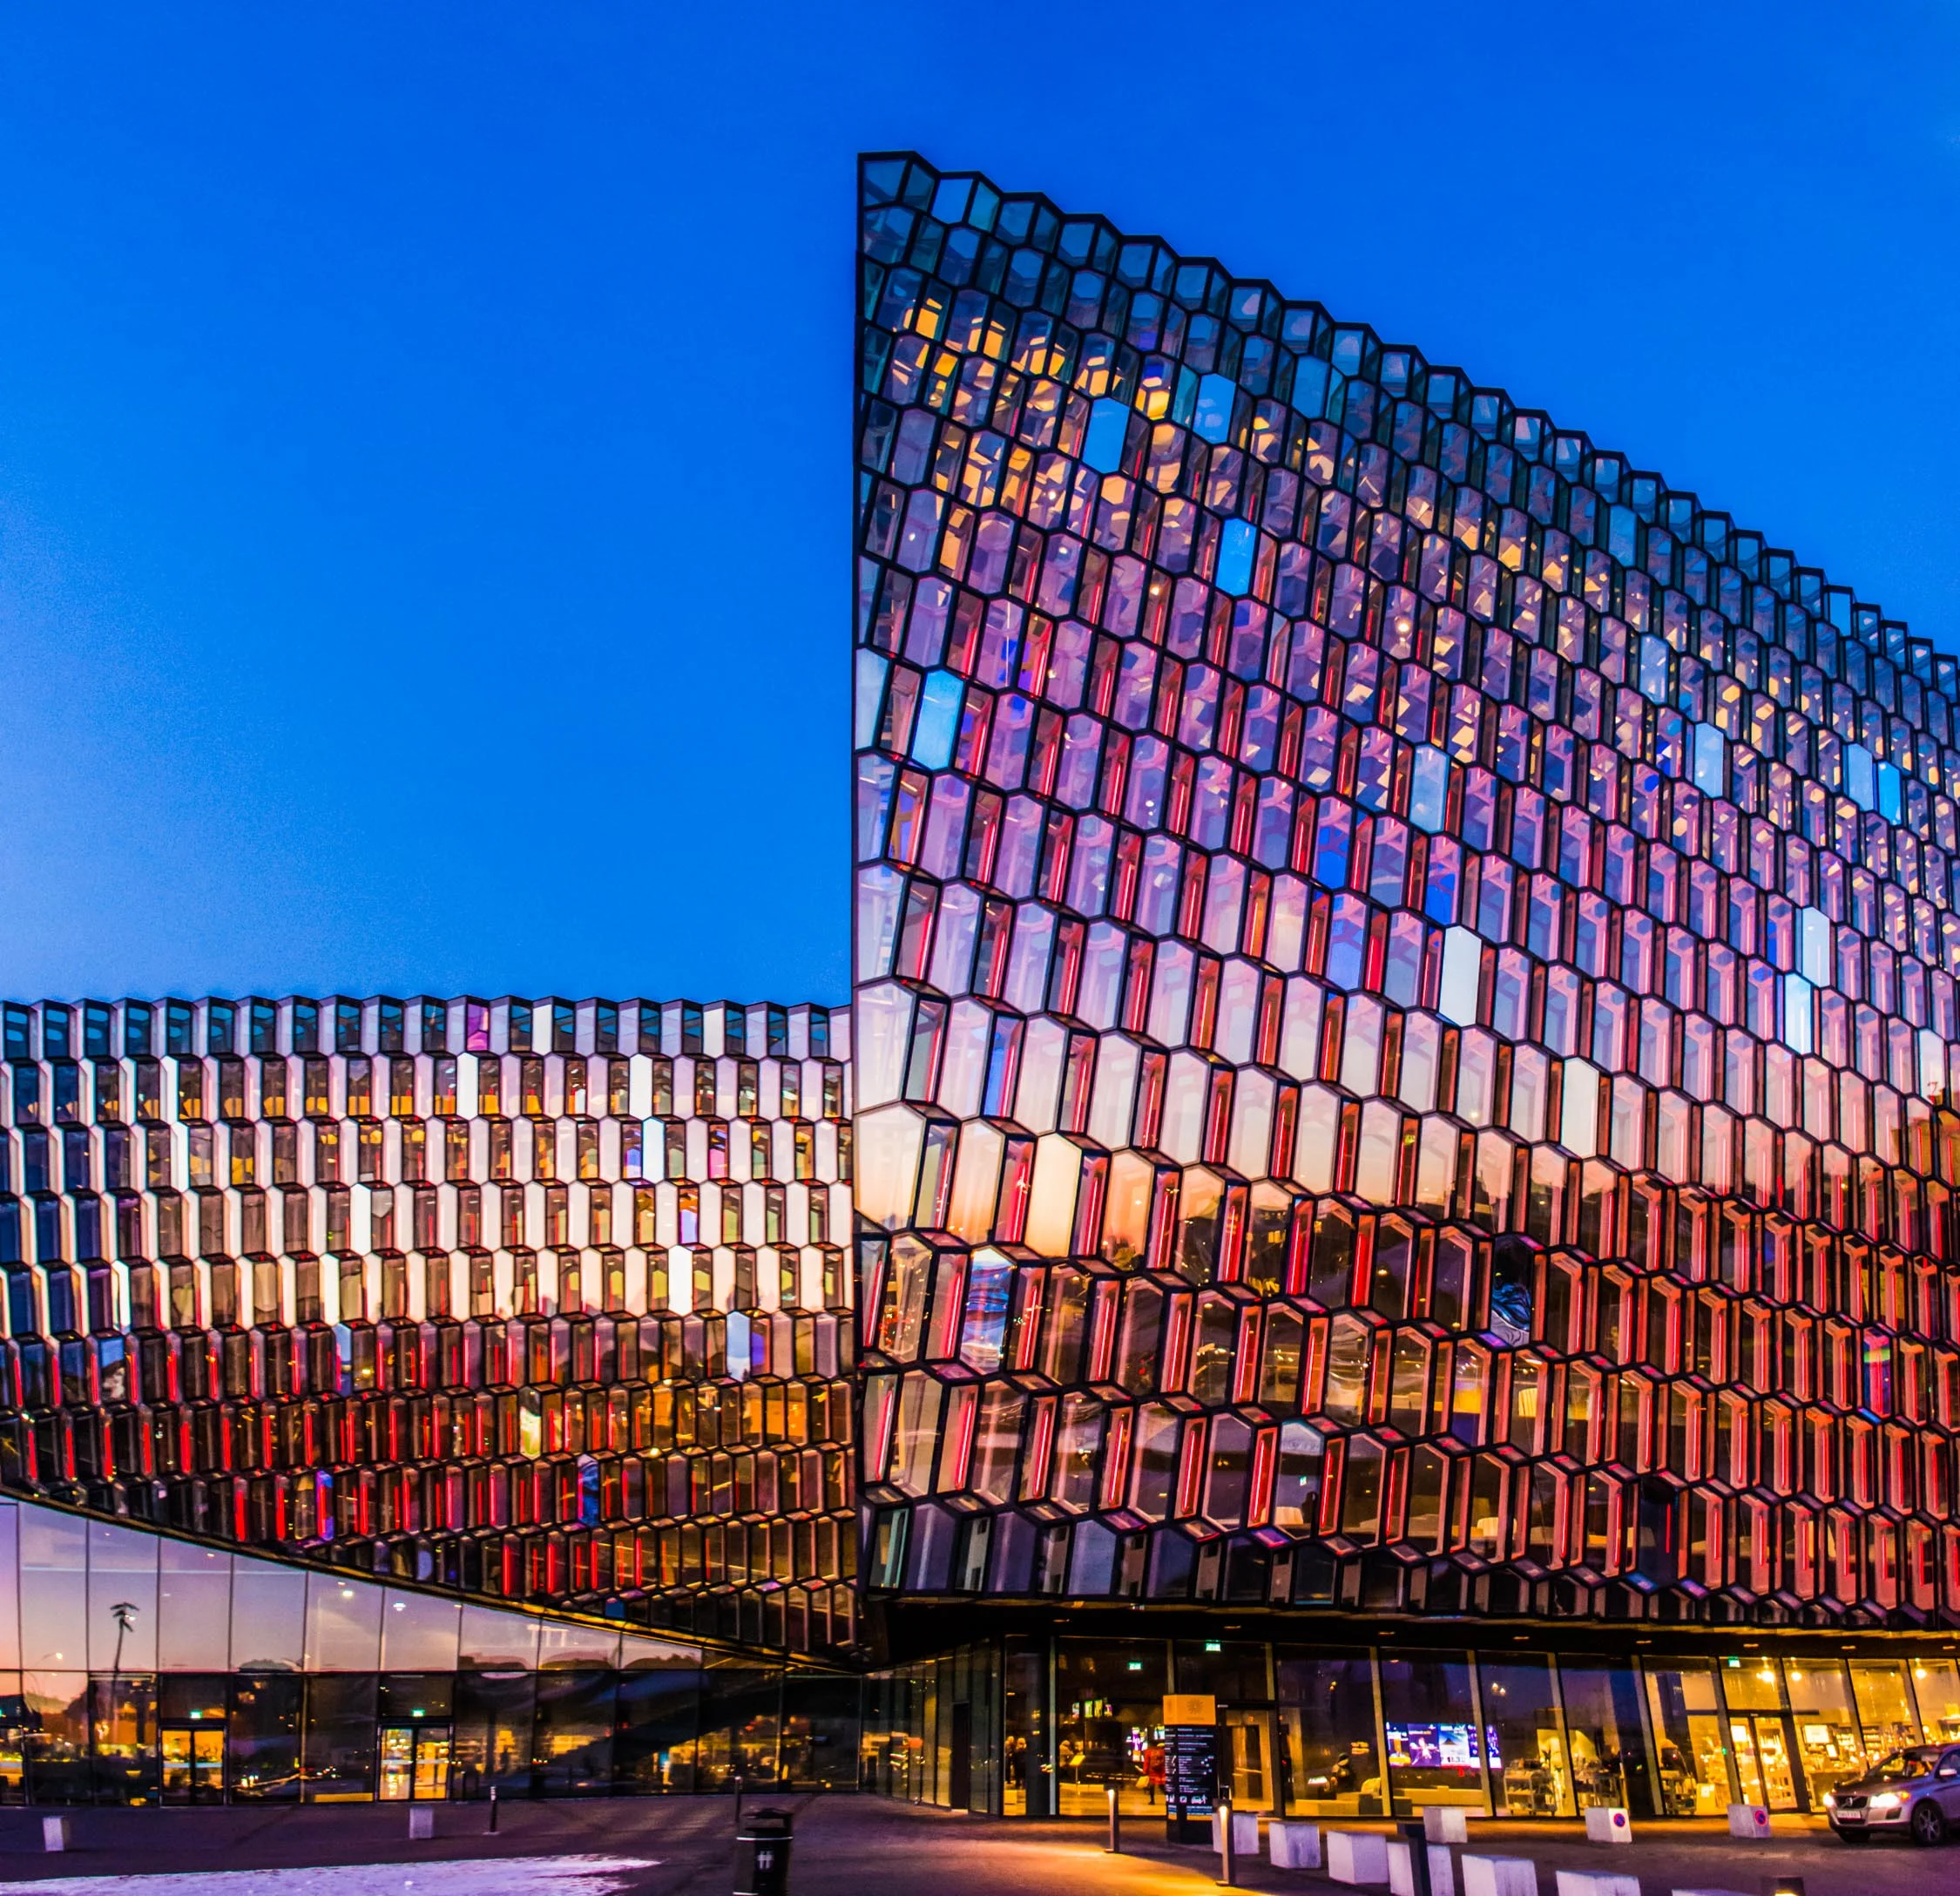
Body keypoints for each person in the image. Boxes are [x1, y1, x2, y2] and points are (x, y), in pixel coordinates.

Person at [1143, 1740, 1166, 1806]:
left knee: (1151, 1786)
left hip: (1152, 1771)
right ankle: (1169, 1799)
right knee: (1161, 1786)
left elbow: (1147, 1762)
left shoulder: (1149, 1751)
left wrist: (1145, 1771)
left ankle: (1152, 1801)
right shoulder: (1163, 1751)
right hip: (1161, 1771)